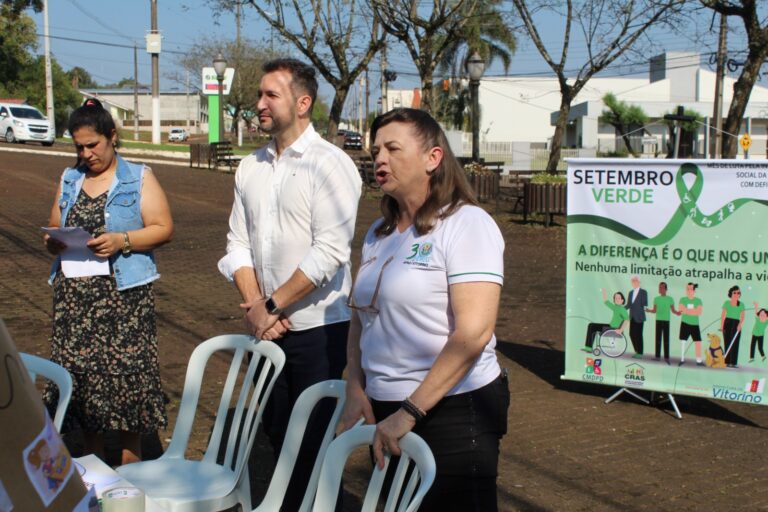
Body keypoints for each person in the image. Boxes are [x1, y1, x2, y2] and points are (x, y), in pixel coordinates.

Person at [340, 108, 509, 511]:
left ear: (433, 158)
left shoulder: (467, 224)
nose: (379, 157)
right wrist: (354, 385)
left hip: (452, 409)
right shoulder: (378, 233)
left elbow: (473, 334)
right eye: (376, 149)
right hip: (385, 407)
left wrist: (410, 411)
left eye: (393, 148)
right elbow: (360, 317)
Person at [217, 58, 361, 511]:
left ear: (303, 103)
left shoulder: (331, 165)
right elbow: (237, 244)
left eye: (269, 95)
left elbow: (330, 252)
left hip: (318, 331)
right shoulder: (250, 167)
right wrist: (256, 307)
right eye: (259, 94)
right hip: (267, 326)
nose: (258, 103)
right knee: (277, 433)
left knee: (314, 444)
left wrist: (271, 306)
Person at [43, 98, 173, 464]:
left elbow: (163, 227)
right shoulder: (70, 178)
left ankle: (133, 472)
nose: (86, 154)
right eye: (79, 147)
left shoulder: (138, 177)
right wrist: (53, 240)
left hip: (124, 300)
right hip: (75, 302)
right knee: (84, 387)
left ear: (112, 137)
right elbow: (55, 222)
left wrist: (122, 241)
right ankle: (96, 469)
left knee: (128, 386)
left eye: (92, 145)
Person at [645, 281, 679, 363]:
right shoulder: (656, 299)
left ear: (666, 289)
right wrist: (649, 310)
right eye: (659, 287)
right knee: (658, 339)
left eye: (662, 287)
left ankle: (666, 357)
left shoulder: (670, 299)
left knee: (666, 340)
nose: (660, 289)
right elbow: (654, 310)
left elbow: (673, 310)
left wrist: (677, 313)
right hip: (658, 321)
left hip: (666, 321)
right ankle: (657, 356)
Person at [677, 282, 703, 366]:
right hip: (685, 323)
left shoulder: (698, 300)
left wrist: (686, 311)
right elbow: (681, 309)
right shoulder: (682, 299)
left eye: (691, 289)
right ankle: (682, 359)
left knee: (698, 342)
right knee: (683, 341)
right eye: (687, 289)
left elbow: (698, 312)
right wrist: (692, 311)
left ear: (694, 290)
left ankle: (699, 361)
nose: (689, 291)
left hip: (695, 324)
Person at [720, 285, 745, 368]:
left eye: (738, 293)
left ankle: (733, 363)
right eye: (735, 292)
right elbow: (723, 315)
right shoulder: (727, 303)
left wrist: (740, 324)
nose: (737, 294)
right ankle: (726, 362)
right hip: (727, 323)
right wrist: (722, 326)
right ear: (731, 293)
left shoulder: (741, 304)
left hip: (736, 324)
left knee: (735, 343)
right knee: (727, 342)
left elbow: (742, 316)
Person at [626, 275, 647, 358]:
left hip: (640, 317)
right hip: (632, 316)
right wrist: (620, 309)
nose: (633, 282)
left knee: (639, 335)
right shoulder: (630, 293)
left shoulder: (643, 292)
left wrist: (644, 308)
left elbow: (644, 304)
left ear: (639, 282)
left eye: (635, 280)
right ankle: (637, 351)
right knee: (631, 334)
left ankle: (640, 353)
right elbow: (628, 305)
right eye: (632, 281)